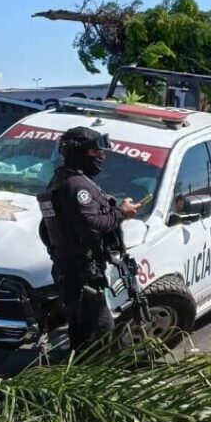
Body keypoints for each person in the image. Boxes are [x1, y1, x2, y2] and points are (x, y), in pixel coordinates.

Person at [37, 126, 141, 350]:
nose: (101, 156)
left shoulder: (60, 181)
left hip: (70, 270)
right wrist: (122, 213)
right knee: (101, 338)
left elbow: (46, 229)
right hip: (82, 273)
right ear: (78, 152)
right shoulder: (76, 185)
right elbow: (92, 223)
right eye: (94, 152)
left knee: (83, 336)